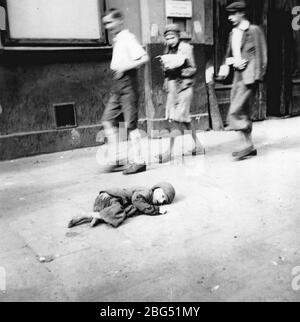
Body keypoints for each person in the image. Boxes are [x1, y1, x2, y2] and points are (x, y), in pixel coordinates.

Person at [217, 1, 267, 161]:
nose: (230, 18)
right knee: (242, 110)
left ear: (241, 13)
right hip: (238, 75)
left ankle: (245, 144)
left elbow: (261, 53)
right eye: (229, 15)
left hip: (249, 76)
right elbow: (229, 53)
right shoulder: (233, 33)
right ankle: (249, 145)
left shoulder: (254, 30)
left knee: (235, 111)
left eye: (233, 14)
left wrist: (258, 75)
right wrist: (227, 64)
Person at [101, 8, 149, 174]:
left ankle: (139, 161)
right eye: (106, 23)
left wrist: (125, 67)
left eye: (110, 22)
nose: (108, 26)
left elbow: (144, 57)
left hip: (128, 86)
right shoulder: (118, 39)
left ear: (120, 20)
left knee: (130, 125)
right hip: (118, 88)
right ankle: (117, 158)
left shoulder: (128, 38)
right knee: (108, 120)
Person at [156, 24, 205, 163]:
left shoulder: (185, 48)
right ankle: (199, 146)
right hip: (173, 89)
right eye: (168, 38)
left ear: (178, 36)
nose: (170, 40)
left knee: (177, 120)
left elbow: (193, 68)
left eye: (173, 37)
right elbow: (165, 69)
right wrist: (166, 73)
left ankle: (169, 152)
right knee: (184, 120)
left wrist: (178, 68)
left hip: (183, 87)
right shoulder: (168, 49)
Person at [68, 182, 176, 229]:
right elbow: (136, 200)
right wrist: (156, 210)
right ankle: (86, 215)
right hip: (107, 198)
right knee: (121, 211)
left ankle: (99, 216)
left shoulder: (147, 197)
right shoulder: (147, 192)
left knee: (131, 210)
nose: (161, 201)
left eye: (164, 201)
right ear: (156, 188)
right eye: (162, 196)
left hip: (107, 203)